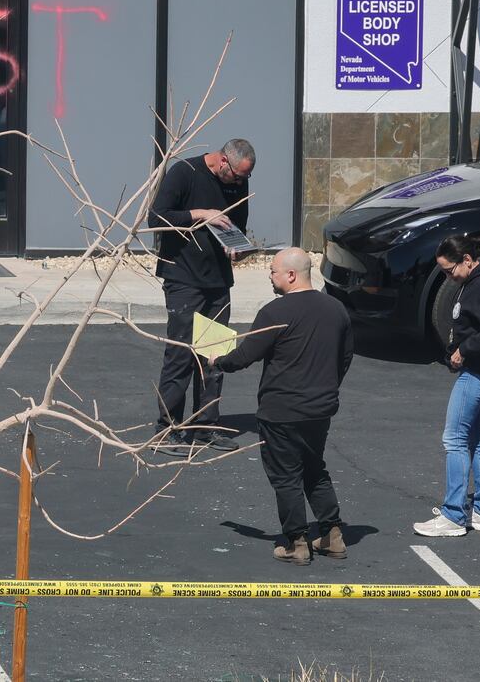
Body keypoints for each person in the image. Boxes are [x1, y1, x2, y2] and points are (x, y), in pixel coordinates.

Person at [212, 247, 353, 566]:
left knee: (286, 475)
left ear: (291, 275)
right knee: (315, 468)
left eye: (273, 271)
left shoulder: (275, 312)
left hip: (282, 410)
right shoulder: (336, 308)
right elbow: (344, 357)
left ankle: (296, 542)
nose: (270, 276)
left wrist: (217, 359)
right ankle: (332, 534)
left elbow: (244, 356)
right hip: (320, 408)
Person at [149, 139, 255, 451]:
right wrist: (199, 213)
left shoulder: (239, 183)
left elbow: (238, 226)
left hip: (218, 281)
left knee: (214, 356)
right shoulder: (185, 173)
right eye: (236, 176)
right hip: (183, 279)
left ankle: (206, 426)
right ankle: (167, 428)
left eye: (245, 178)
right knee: (181, 354)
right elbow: (157, 219)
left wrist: (237, 247)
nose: (239, 183)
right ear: (223, 161)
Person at [414, 234, 480, 538]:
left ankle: (453, 514)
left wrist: (465, 350)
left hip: (478, 372)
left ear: (467, 260)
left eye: (448, 270)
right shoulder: (476, 281)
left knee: (454, 438)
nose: (447, 276)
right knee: (476, 438)